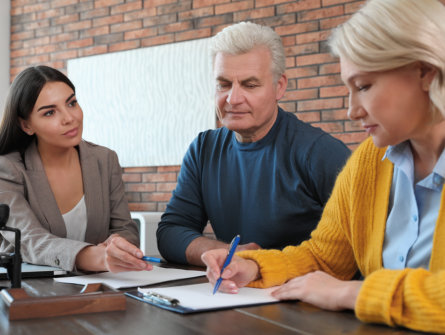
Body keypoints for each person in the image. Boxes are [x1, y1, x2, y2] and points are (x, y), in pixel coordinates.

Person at [202, 0, 445, 333]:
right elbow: (325, 257)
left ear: (426, 72)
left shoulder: (320, 150)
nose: (351, 110)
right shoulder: (368, 162)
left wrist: (352, 292)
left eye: (363, 87)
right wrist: (254, 267)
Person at [157, 22, 350, 266]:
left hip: (303, 296)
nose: (233, 99)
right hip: (232, 295)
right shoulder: (203, 149)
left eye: (250, 85)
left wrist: (260, 264)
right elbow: (171, 232)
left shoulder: (321, 153)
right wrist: (228, 253)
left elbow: (357, 249)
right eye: (224, 84)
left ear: (279, 87)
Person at [0, 66, 152, 273]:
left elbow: (125, 228)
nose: (69, 118)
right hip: (31, 289)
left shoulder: (104, 159)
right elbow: (29, 239)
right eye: (50, 112)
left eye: (71, 103)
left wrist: (118, 244)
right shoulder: (8, 169)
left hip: (100, 286)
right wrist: (92, 256)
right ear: (26, 125)